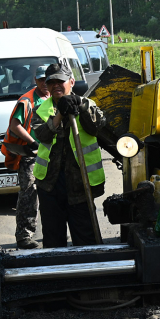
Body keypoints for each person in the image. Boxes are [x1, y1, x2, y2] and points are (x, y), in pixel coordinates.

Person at [32, 63, 106, 247]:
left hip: (80, 184)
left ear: (71, 82)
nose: (56, 85)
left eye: (61, 81)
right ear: (46, 87)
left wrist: (79, 106)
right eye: (51, 82)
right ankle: (58, 273)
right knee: (53, 238)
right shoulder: (40, 110)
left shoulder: (88, 104)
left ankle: (90, 271)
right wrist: (60, 115)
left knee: (85, 237)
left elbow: (97, 127)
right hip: (50, 184)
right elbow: (42, 135)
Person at [1, 65, 50, 249]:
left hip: (52, 153)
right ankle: (24, 236)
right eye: (40, 80)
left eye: (48, 80)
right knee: (29, 193)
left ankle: (52, 234)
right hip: (32, 155)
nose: (44, 83)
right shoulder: (27, 100)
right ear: (35, 80)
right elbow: (15, 125)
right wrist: (32, 142)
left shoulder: (55, 97)